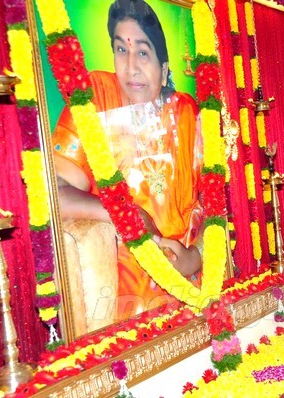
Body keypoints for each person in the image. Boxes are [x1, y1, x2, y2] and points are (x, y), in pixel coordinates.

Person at [52, 0, 203, 321]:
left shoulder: (186, 113)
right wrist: (125, 214)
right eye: (121, 50)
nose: (131, 66)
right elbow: (57, 192)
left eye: (143, 53)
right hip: (121, 284)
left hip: (188, 278)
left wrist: (196, 257)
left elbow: (214, 202)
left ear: (164, 71)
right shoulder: (94, 98)